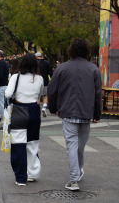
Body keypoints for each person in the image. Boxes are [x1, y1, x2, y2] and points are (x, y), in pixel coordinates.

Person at [47, 38, 102, 191]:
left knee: (72, 145)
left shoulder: (62, 68)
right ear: (87, 51)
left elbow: (52, 90)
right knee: (80, 146)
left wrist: (53, 108)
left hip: (68, 111)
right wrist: (97, 114)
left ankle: (74, 179)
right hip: (86, 112)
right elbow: (98, 93)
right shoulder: (93, 69)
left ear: (70, 50)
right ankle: (78, 170)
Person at [5, 53, 44, 186]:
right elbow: (39, 95)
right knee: (32, 143)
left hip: (19, 111)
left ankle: (21, 177)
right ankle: (32, 173)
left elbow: (8, 94)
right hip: (34, 111)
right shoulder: (39, 78)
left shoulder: (16, 77)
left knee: (18, 144)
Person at [35, 52, 53, 117]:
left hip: (36, 81)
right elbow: (51, 73)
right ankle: (44, 108)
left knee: (37, 96)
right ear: (41, 56)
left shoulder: (34, 63)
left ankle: (37, 110)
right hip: (45, 81)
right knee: (45, 95)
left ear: (36, 57)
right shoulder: (46, 63)